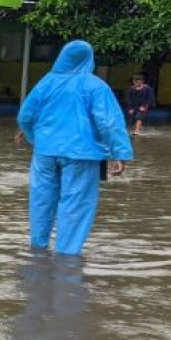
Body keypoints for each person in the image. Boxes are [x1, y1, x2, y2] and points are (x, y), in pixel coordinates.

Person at [16, 40, 133, 256]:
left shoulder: (46, 83)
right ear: (89, 59)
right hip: (82, 154)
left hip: (45, 153)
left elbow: (25, 116)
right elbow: (108, 123)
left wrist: (36, 139)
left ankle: (38, 250)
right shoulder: (96, 86)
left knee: (41, 200)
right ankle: (66, 260)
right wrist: (120, 153)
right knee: (76, 204)